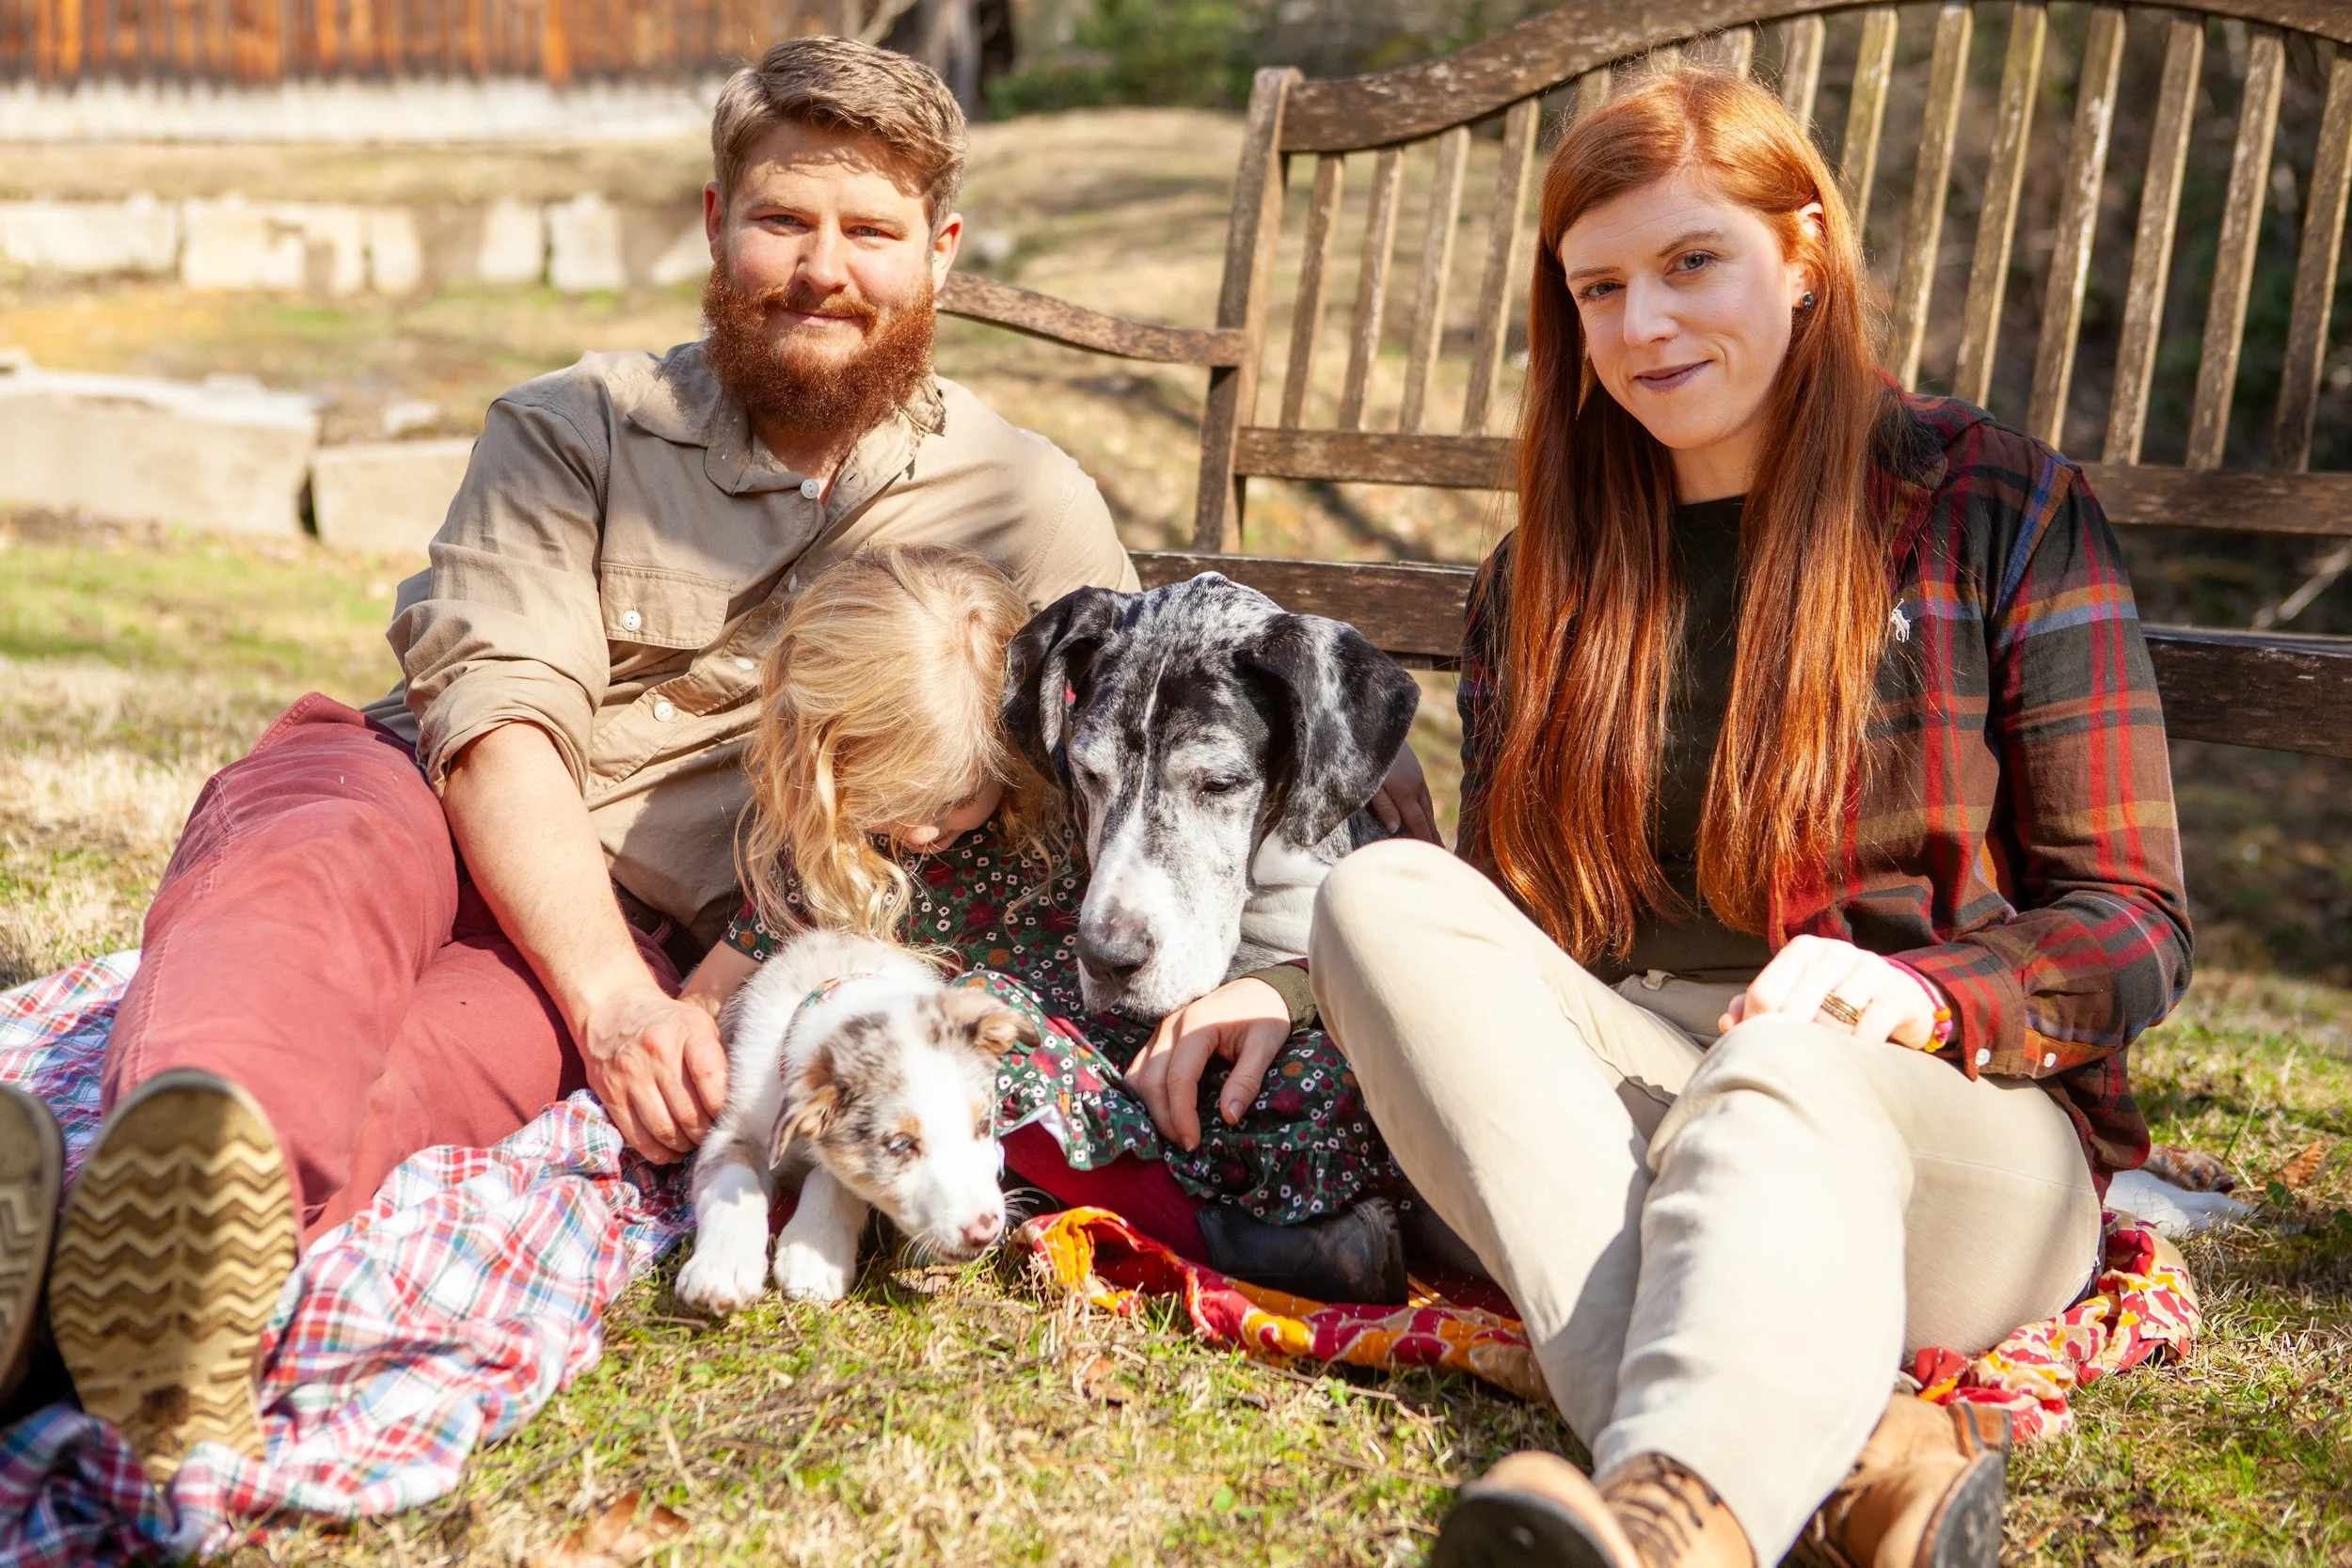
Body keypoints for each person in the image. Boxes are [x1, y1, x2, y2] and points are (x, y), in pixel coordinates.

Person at [0, 36, 1149, 1481]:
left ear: (942, 252)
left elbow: (1157, 708)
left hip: (650, 936)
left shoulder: (1026, 502)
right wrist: (609, 999)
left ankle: (81, 1295)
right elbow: (497, 720)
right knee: (296, 920)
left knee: (424, 1083)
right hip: (415, 799)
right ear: (716, 223)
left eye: (871, 231)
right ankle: (173, 1180)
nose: (822, 268)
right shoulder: (576, 425)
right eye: (785, 218)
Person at [1303, 70, 2191, 1568]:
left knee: (1790, 1057)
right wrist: (1288, 983)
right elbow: (1505, 927)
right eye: (1599, 287)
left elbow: (2137, 927)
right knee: (1378, 894)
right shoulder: (1548, 572)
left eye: (1691, 261)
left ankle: (1671, 1522)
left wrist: (1916, 992)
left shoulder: (1996, 507)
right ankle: (1850, 1474)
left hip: (1949, 1135)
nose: (1642, 326)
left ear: (1806, 250)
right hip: (1643, 1105)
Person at [681, 544, 1422, 1303]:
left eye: (951, 797)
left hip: (1193, 1069)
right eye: (885, 795)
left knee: (1313, 1077)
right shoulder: (839, 858)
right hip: (1066, 1089)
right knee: (984, 1028)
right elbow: (703, 1005)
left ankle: (1330, 1230)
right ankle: (1214, 1238)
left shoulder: (1048, 808)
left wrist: (1348, 756)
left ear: (1015, 752)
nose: (919, 829)